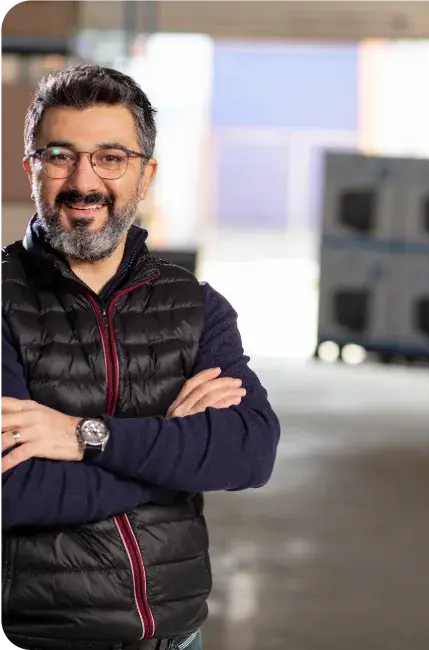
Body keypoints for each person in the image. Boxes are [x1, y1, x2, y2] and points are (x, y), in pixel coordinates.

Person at [0, 64, 280, 650]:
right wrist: (170, 462)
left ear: (145, 175)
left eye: (111, 157)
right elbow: (13, 487)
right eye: (60, 155)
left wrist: (86, 438)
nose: (84, 180)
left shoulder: (195, 306)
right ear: (31, 169)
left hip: (178, 638)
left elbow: (250, 451)